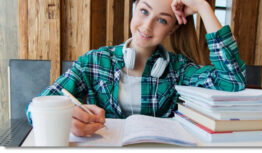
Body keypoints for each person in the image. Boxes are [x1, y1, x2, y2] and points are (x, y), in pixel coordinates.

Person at [26, 0, 246, 137]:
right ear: (134, 7)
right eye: (144, 11)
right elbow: (35, 108)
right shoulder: (94, 62)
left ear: (172, 29)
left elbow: (233, 80)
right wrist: (67, 118)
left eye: (162, 20)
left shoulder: (178, 70)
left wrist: (202, 7)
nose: (146, 26)